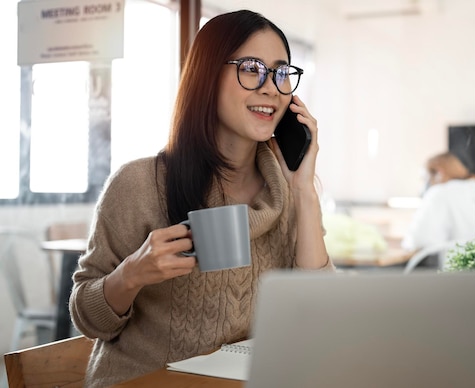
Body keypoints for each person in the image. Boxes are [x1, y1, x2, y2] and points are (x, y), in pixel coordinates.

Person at [69, 10, 333, 386]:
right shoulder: (139, 184)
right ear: (207, 76)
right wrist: (132, 273)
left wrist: (304, 191)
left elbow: (317, 315)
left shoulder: (289, 193)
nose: (271, 88)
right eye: (252, 68)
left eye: (280, 72)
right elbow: (89, 320)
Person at [401, 152, 475, 266]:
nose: (425, 185)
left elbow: (417, 241)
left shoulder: (440, 192)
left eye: (425, 179)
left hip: (453, 274)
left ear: (439, 172)